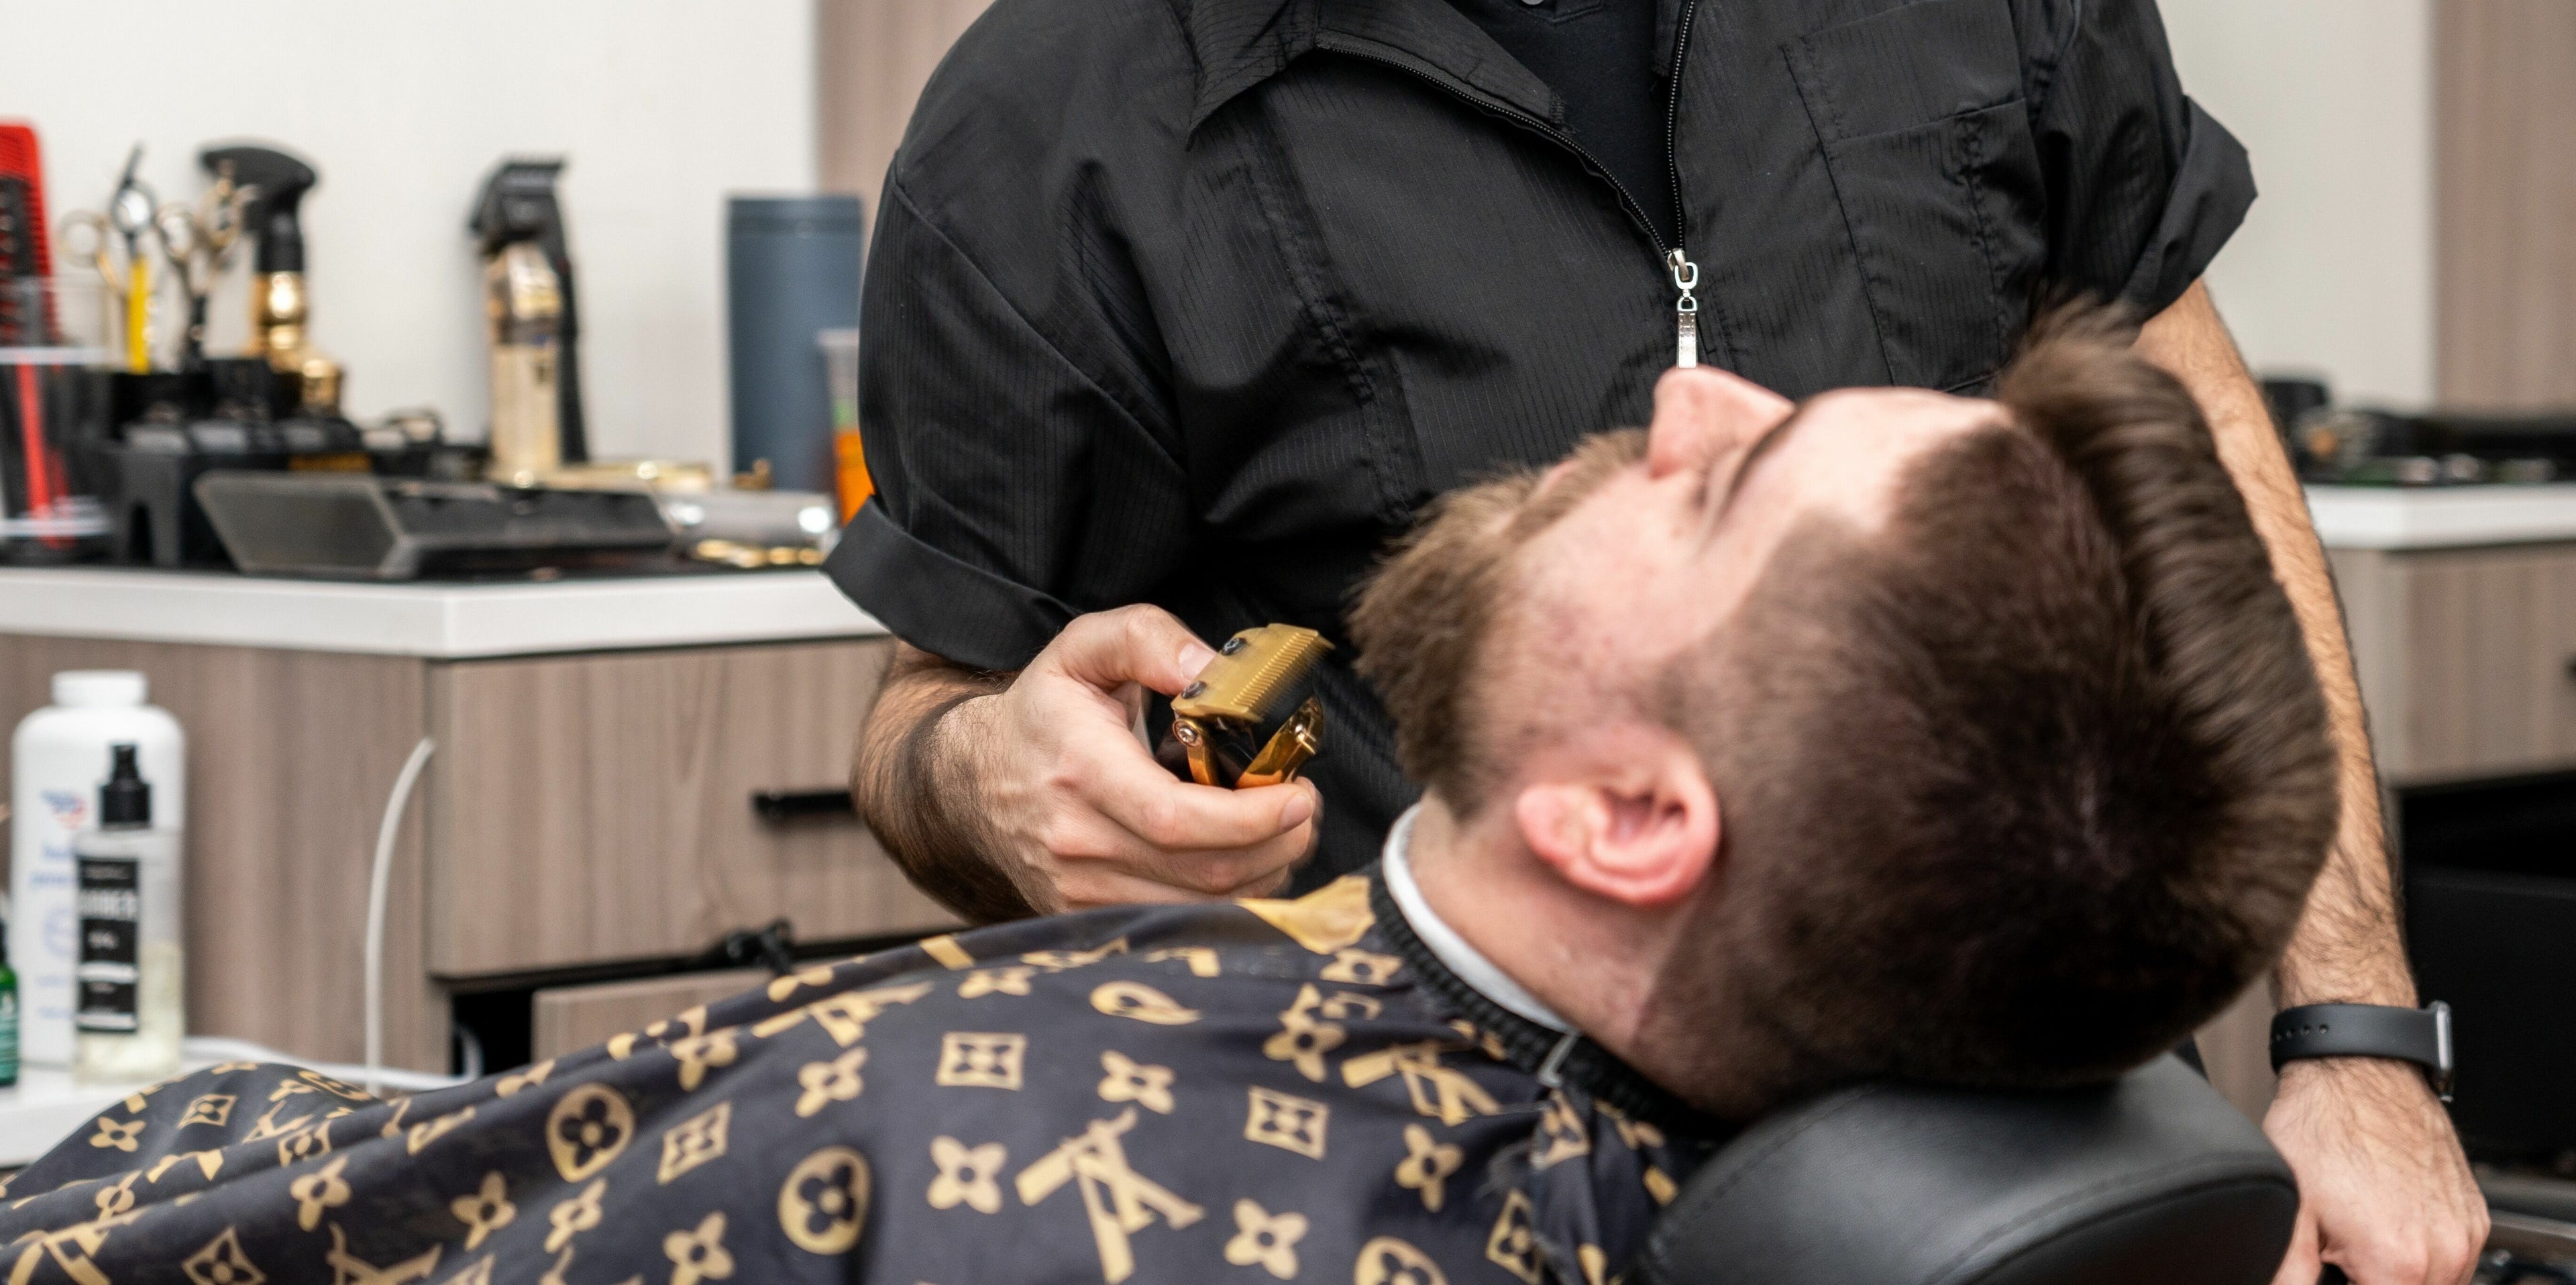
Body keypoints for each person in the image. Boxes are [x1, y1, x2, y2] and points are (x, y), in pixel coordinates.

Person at [833, 0, 2486, 1274]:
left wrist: (2356, 1034)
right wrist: (987, 774)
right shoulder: (1036, 141)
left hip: (2041, 1170)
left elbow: (2183, 451)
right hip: (1463, 1204)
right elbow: (929, 712)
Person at [1, 317, 2337, 1284]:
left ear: (1629, 820)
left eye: (1734, 493)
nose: (1698, 384)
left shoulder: (1038, 1190)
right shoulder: (1496, 1102)